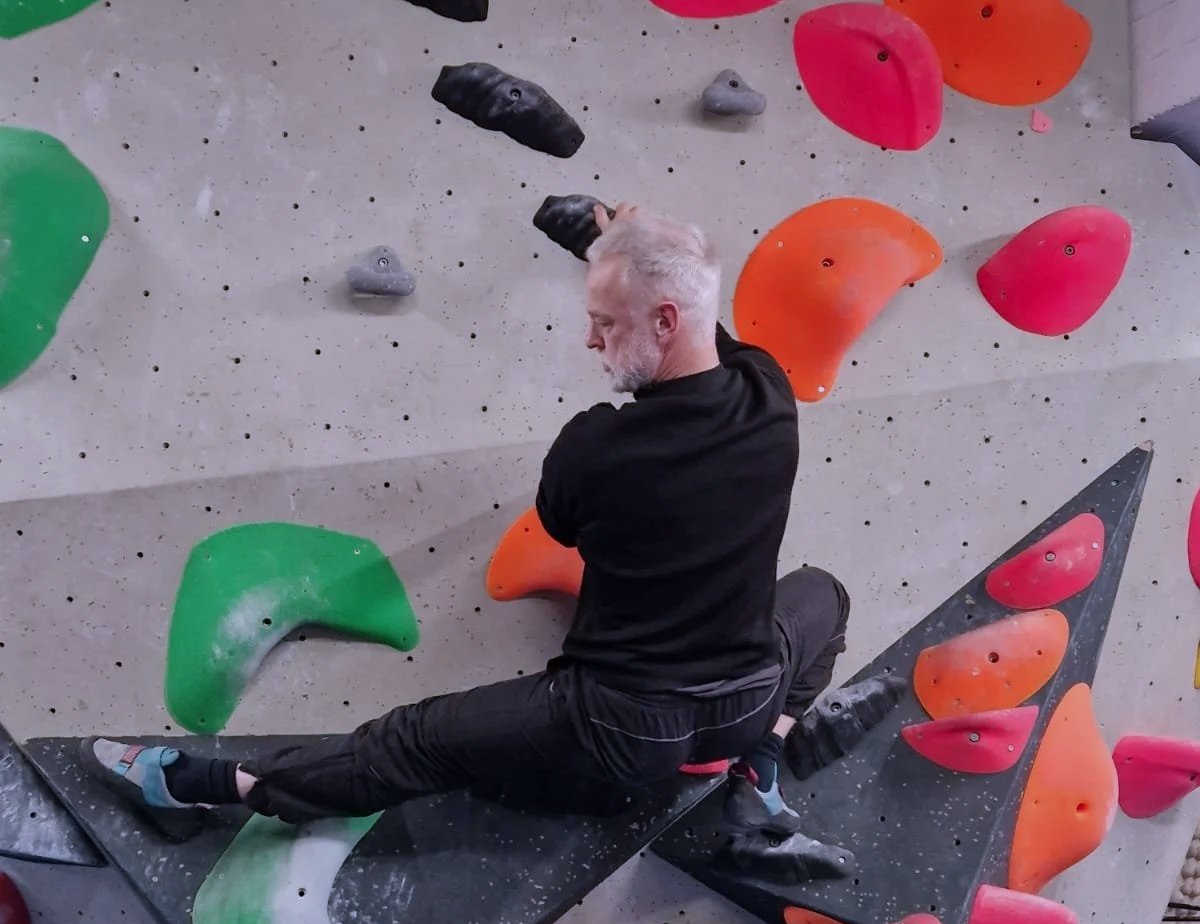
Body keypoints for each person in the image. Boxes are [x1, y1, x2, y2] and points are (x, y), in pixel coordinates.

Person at [83, 204, 899, 879]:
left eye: (603, 322)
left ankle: (191, 784)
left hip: (618, 727)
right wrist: (623, 252)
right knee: (823, 594)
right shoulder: (769, 396)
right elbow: (705, 325)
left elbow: (565, 528)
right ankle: (758, 775)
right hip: (747, 697)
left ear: (662, 319)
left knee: (410, 744)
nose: (592, 341)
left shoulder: (598, 446)